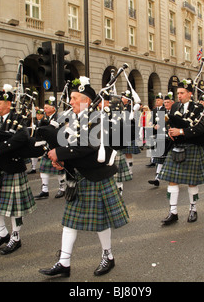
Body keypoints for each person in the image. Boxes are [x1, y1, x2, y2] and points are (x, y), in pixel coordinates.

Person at [39, 77, 129, 277]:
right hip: (77, 176)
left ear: (86, 100)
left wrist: (60, 154)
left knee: (101, 222)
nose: (70, 101)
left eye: (74, 97)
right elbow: (69, 144)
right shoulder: (72, 118)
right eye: (70, 97)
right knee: (69, 222)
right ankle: (64, 263)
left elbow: (88, 146)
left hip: (96, 177)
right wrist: (61, 159)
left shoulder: (98, 118)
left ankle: (108, 256)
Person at [0, 85, 37, 255]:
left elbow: (22, 138)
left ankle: (16, 237)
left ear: (8, 103)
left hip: (13, 167)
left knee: (15, 209)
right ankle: (3, 233)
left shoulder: (18, 118)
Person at [157, 80, 204, 224]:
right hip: (177, 146)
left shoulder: (198, 108)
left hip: (192, 146)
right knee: (172, 180)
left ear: (189, 93)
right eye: (178, 93)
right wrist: (170, 131)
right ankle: (173, 212)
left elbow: (201, 129)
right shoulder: (175, 106)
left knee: (192, 182)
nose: (179, 96)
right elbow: (172, 122)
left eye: (182, 93)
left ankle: (193, 209)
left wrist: (181, 131)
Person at [35, 98, 66, 199]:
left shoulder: (59, 118)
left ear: (53, 108)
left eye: (46, 108)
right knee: (44, 170)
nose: (44, 109)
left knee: (58, 169)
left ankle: (62, 188)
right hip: (47, 147)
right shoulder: (45, 119)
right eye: (44, 107)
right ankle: (45, 190)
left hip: (56, 146)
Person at [148, 92, 174, 187]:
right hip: (163, 138)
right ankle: (157, 179)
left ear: (172, 102)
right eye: (165, 102)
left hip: (173, 139)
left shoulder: (175, 111)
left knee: (173, 160)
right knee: (161, 159)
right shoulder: (161, 111)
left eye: (168, 102)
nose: (166, 104)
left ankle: (174, 179)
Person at [146, 92, 165, 168]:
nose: (157, 101)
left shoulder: (164, 109)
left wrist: (160, 125)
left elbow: (165, 120)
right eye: (156, 100)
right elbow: (151, 119)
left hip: (161, 131)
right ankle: (153, 160)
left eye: (159, 100)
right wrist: (150, 123)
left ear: (162, 101)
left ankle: (160, 162)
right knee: (153, 146)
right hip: (153, 130)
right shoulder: (154, 110)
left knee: (160, 146)